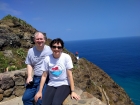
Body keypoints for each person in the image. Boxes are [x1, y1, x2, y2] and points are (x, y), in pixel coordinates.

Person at [34, 38, 80, 105]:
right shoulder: (47, 59)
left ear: (62, 48)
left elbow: (70, 75)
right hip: (51, 83)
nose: (56, 49)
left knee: (56, 103)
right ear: (51, 48)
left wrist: (72, 91)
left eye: (59, 47)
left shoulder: (66, 57)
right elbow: (44, 75)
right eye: (54, 47)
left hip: (64, 84)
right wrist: (40, 91)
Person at [22, 32, 52, 105]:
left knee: (39, 100)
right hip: (35, 78)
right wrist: (29, 76)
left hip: (46, 78)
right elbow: (29, 64)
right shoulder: (31, 51)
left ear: (44, 40)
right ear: (34, 40)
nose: (39, 41)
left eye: (41, 39)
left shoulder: (50, 50)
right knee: (26, 98)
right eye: (37, 39)